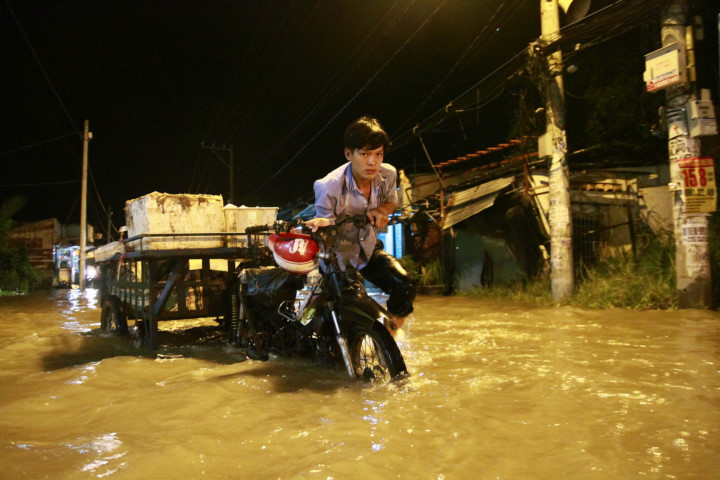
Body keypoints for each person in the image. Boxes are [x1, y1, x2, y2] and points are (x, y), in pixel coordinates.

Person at [306, 116, 417, 337]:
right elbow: (324, 222)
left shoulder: (388, 174)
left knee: (405, 285)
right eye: (365, 154)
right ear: (349, 154)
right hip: (337, 260)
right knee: (337, 320)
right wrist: (323, 222)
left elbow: (391, 201)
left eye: (378, 154)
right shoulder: (328, 185)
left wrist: (382, 211)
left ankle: (388, 339)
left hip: (368, 249)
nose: (372, 162)